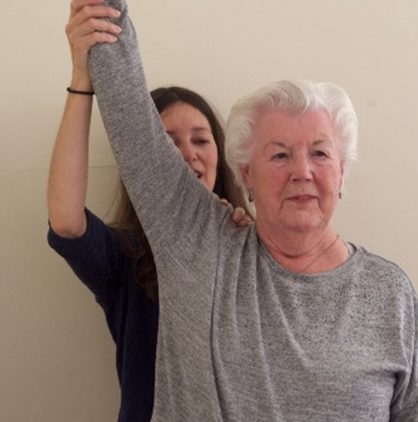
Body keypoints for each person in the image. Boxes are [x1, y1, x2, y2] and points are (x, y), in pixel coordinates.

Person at [88, 0, 418, 420]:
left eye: (320, 153)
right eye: (279, 155)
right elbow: (129, 113)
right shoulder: (199, 247)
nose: (302, 172)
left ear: (342, 173)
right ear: (247, 175)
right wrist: (102, 15)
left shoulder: (390, 294)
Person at [47, 2, 250, 421]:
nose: (187, 156)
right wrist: (82, 79)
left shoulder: (255, 248)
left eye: (201, 140)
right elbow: (66, 221)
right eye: (168, 144)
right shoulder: (126, 255)